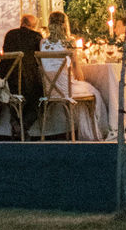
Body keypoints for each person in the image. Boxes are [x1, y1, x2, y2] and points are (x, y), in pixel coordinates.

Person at [39, 10, 105, 140]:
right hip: (66, 88)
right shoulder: (69, 42)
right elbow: (76, 68)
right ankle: (93, 132)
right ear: (65, 24)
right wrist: (82, 81)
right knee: (94, 92)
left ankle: (75, 130)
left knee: (81, 91)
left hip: (49, 89)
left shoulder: (42, 42)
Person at [0, 13, 43, 131]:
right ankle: (24, 125)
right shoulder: (36, 36)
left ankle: (15, 121)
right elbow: (40, 59)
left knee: (16, 97)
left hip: (8, 81)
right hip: (29, 81)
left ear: (22, 23)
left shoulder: (10, 34)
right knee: (41, 95)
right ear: (34, 26)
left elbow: (5, 55)